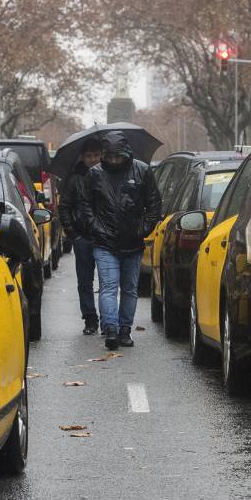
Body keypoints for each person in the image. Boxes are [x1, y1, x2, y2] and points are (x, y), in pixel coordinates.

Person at [79, 131, 162, 350]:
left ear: (126, 154)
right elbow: (86, 205)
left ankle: (125, 330)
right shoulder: (94, 174)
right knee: (108, 286)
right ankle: (112, 330)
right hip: (104, 243)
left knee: (129, 289)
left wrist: (143, 229)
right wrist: (97, 228)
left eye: (118, 157)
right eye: (110, 157)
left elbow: (154, 205)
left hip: (133, 243)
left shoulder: (142, 171)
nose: (114, 161)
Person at [60, 137, 104, 335]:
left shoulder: (108, 176)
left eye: (96, 155)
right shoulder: (74, 179)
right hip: (83, 238)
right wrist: (73, 234)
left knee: (107, 281)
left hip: (105, 237)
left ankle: (108, 319)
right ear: (83, 157)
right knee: (85, 281)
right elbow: (64, 207)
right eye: (89, 156)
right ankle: (90, 319)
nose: (93, 159)